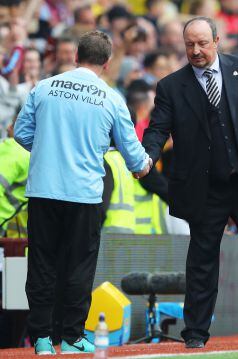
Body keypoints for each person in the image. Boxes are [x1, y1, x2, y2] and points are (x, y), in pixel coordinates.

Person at [142, 16, 238, 348]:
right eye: (190, 44)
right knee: (202, 262)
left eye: (202, 43)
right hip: (205, 188)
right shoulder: (171, 87)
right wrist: (148, 156)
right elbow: (157, 130)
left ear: (217, 41)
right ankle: (195, 333)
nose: (196, 50)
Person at [14, 30, 151, 355]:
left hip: (44, 191)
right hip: (84, 195)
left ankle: (42, 340)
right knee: (78, 267)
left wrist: (49, 152)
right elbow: (134, 155)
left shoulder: (43, 88)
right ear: (106, 62)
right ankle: (73, 337)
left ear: (76, 56)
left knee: (42, 266)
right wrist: (145, 165)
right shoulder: (111, 98)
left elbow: (20, 133)